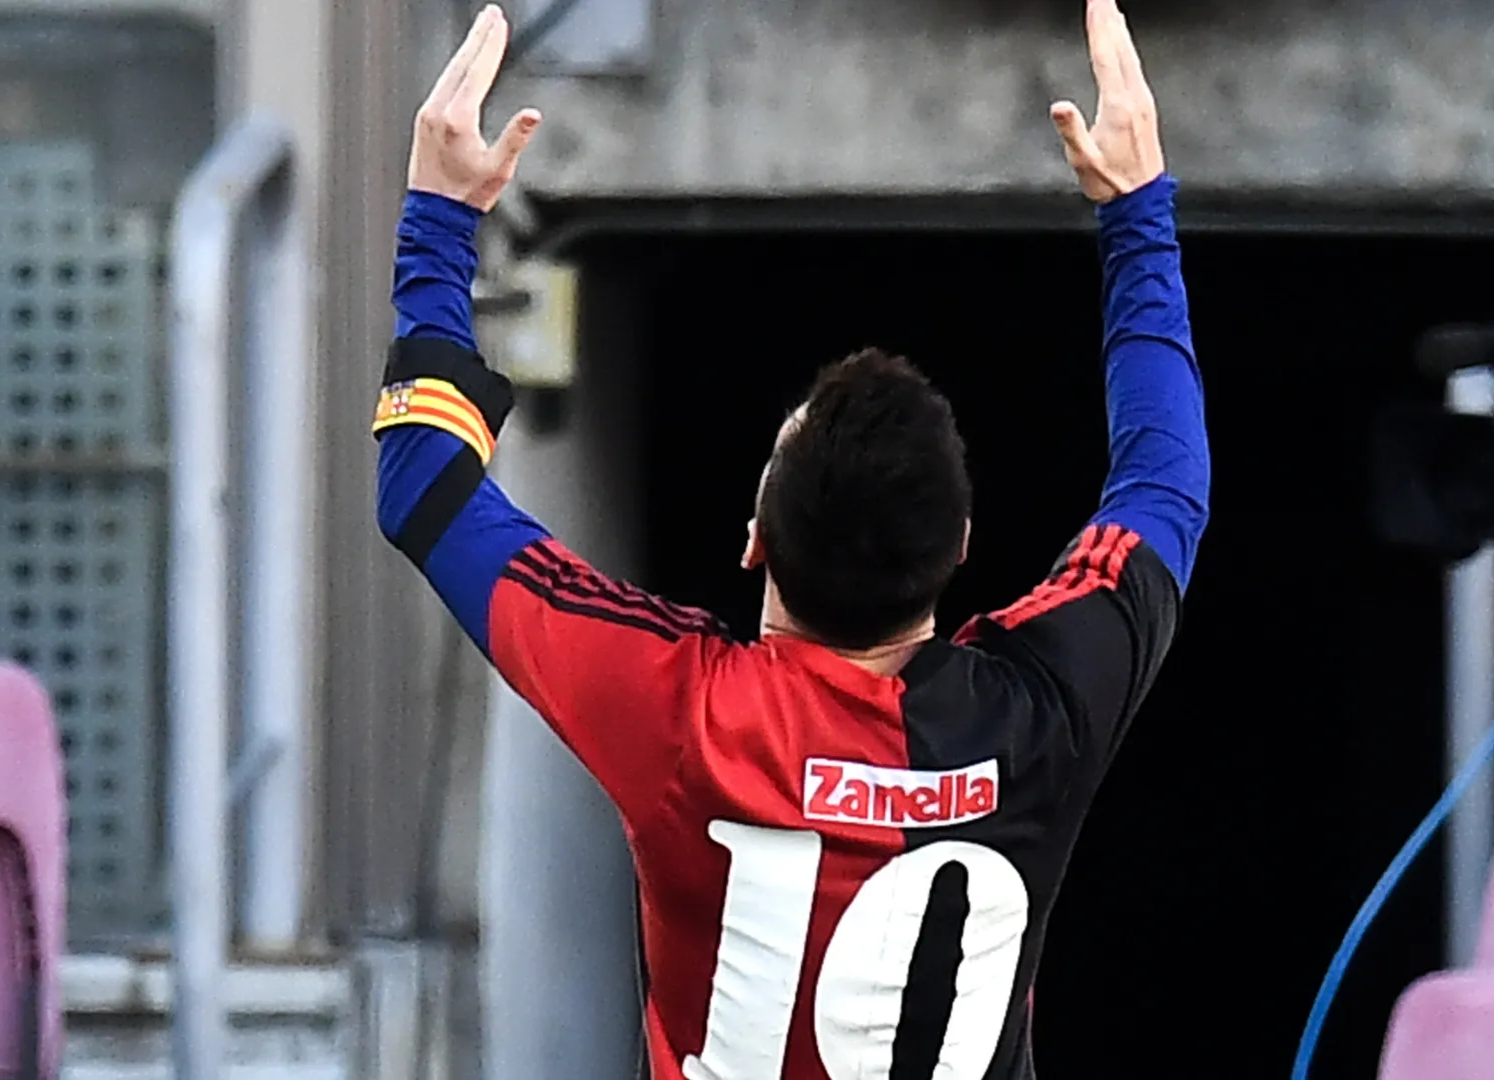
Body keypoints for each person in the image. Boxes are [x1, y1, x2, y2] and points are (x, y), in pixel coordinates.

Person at [373, 0, 1209, 1075]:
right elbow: (1165, 477)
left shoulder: (681, 710)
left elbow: (422, 488)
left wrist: (439, 217)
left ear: (755, 539)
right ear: (961, 546)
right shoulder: (1044, 709)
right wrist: (1138, 213)